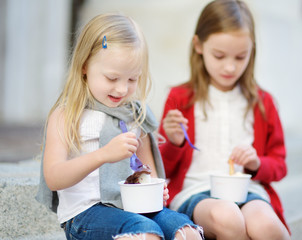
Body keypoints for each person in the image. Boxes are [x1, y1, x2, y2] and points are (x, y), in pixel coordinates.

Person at [36, 13, 203, 240]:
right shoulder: (67, 115)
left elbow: (148, 171)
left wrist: (156, 188)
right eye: (112, 78)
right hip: (86, 214)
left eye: (132, 79)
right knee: (146, 234)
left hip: (134, 209)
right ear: (85, 66)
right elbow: (54, 177)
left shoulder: (135, 115)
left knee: (187, 233)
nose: (122, 89)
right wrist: (103, 155)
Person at [158, 1, 291, 239]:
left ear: (252, 50)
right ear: (198, 45)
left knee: (267, 226)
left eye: (241, 57)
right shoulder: (180, 98)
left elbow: (280, 165)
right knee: (228, 217)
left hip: (248, 191)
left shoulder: (263, 102)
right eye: (219, 56)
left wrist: (256, 164)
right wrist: (175, 142)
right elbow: (161, 168)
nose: (230, 67)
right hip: (196, 192)